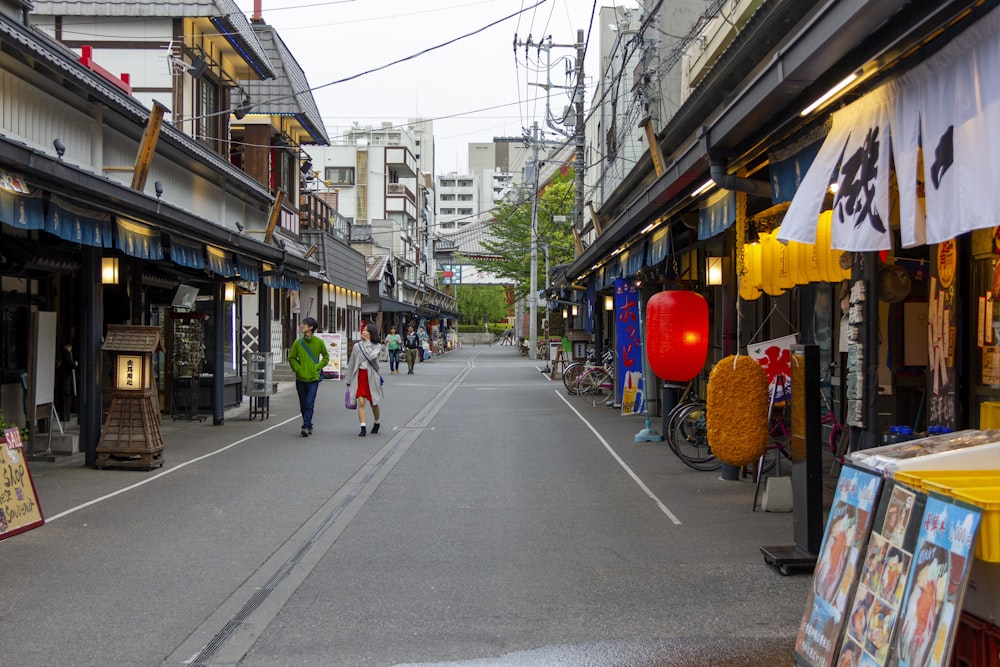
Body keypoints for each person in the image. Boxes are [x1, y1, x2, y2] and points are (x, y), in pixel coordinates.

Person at [287, 317, 328, 437]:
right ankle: (309, 423)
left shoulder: (319, 342)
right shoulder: (297, 343)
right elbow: (292, 358)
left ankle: (305, 426)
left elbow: (326, 356)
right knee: (303, 403)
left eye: (304, 324)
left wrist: (317, 367)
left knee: (309, 402)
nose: (301, 326)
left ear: (311, 327)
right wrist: (298, 369)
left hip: (313, 378)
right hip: (300, 378)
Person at [346, 326, 383, 437]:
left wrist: (366, 343)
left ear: (372, 333)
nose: (364, 332)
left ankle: (377, 422)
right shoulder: (357, 346)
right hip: (359, 376)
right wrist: (348, 379)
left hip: (371, 376)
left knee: (373, 403)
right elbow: (352, 362)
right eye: (364, 330)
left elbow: (371, 357)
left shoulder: (377, 346)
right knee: (361, 402)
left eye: (367, 331)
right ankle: (363, 427)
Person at [57, 342, 77, 420]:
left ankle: (64, 415)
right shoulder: (66, 353)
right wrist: (75, 364)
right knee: (66, 398)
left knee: (64, 398)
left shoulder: (62, 353)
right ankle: (65, 416)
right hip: (66, 379)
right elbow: (70, 364)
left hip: (64, 379)